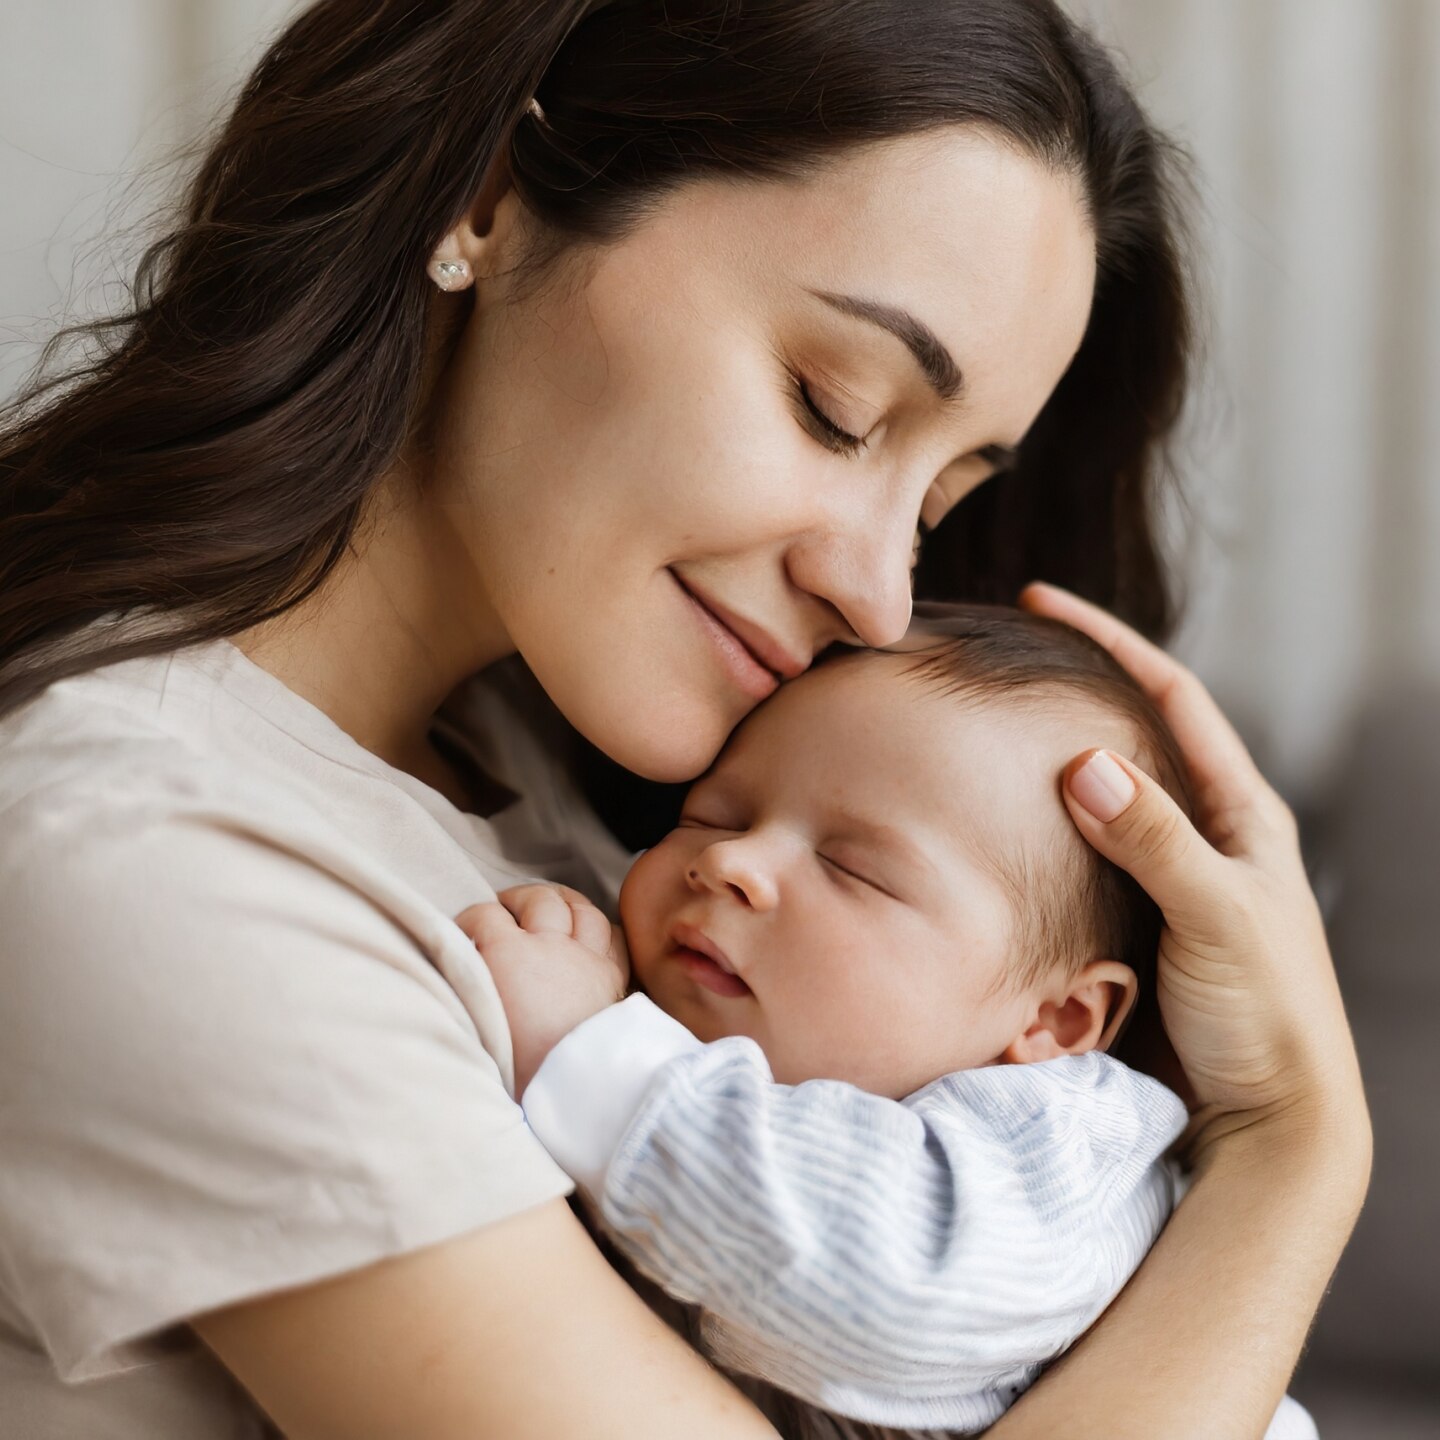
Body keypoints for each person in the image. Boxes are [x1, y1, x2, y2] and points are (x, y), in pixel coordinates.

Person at [0, 2, 1369, 1437]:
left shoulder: (547, 768)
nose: (879, 595)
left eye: (938, 504)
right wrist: (1295, 1150)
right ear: (492, 197)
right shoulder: (152, 854)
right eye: (833, 406)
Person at [466, 604, 1318, 1440]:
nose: (730, 861)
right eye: (711, 815)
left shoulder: (1055, 1147)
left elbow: (885, 1280)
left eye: (850, 870)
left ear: (1057, 1022)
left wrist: (587, 1058)